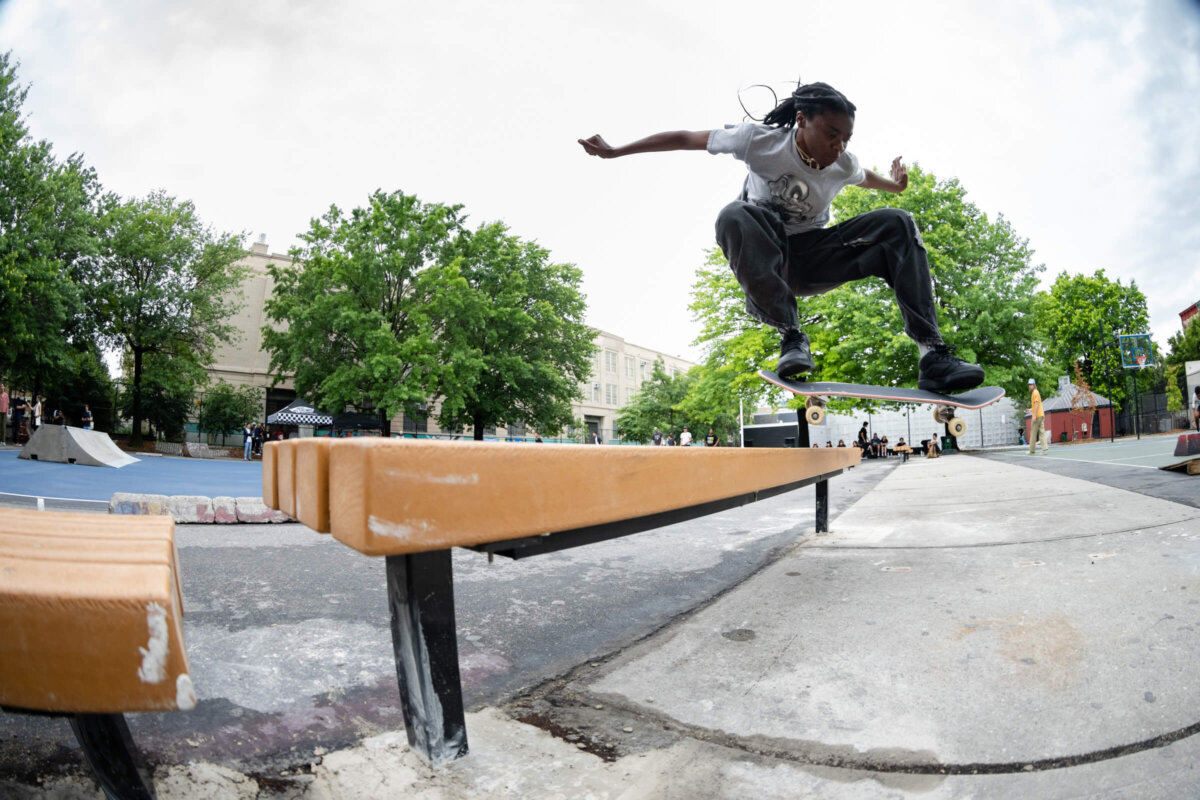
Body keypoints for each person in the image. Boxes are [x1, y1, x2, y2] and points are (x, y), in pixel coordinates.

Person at [579, 80, 984, 392]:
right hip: (768, 259)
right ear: (802, 120)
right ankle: (791, 337)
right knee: (735, 214)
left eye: (846, 138)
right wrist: (616, 151)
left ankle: (932, 355)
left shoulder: (843, 164)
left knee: (898, 223)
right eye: (831, 134)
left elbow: (865, 176)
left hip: (815, 258)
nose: (837, 146)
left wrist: (896, 188)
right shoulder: (758, 141)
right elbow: (686, 138)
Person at [1028, 378, 1047, 455]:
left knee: (1033, 433)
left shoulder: (1035, 392)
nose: (1030, 386)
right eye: (1029, 384)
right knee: (1042, 432)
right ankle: (1045, 450)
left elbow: (1036, 404)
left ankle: (1032, 450)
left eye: (1031, 384)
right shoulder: (1036, 392)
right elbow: (1037, 405)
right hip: (1041, 414)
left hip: (1038, 416)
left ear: (1034, 385)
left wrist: (1034, 416)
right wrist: (1030, 410)